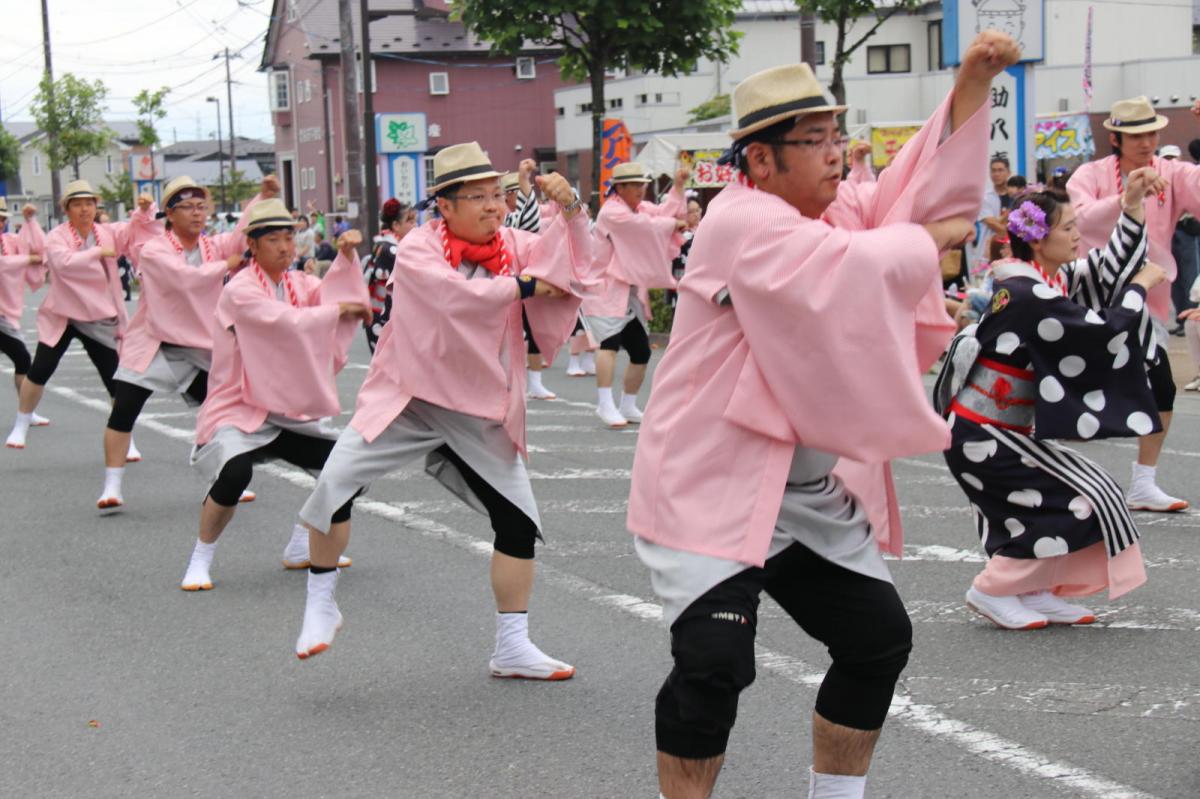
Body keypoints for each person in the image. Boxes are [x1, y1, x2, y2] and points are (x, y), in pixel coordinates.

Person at [626, 31, 1020, 799]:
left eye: (837, 136)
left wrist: (970, 85)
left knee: (876, 640)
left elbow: (916, 189)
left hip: (800, 491)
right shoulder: (740, 221)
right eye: (814, 141)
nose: (836, 154)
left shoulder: (836, 208)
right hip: (713, 477)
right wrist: (925, 243)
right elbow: (853, 266)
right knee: (713, 664)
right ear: (761, 160)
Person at [290, 141, 587, 675]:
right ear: (445, 207)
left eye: (497, 195)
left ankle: (512, 646)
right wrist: (521, 285)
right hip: (409, 394)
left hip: (477, 405)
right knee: (334, 484)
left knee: (518, 521)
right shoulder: (419, 247)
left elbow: (566, 266)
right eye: (477, 197)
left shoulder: (512, 244)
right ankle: (320, 604)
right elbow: (450, 296)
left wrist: (569, 211)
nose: (493, 206)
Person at [936, 178, 1165, 631]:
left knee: (1084, 494)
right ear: (1039, 239)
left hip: (995, 430)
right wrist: (1139, 287)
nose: (1078, 235)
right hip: (985, 431)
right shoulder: (1027, 294)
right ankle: (992, 587)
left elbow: (1106, 268)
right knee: (1079, 499)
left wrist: (1132, 206)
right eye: (1069, 228)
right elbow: (1102, 329)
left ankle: (1035, 589)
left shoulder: (1042, 280)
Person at [181, 198, 367, 591]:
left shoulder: (298, 284)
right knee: (235, 473)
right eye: (275, 240)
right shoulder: (241, 290)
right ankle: (202, 555)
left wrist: (345, 258)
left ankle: (302, 542)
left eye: (290, 237)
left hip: (286, 405)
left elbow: (330, 296)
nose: (285, 247)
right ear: (252, 245)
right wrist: (335, 313)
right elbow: (282, 324)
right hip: (239, 404)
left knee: (345, 471)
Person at [95, 175, 277, 510]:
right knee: (124, 409)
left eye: (201, 207)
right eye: (187, 207)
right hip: (155, 342)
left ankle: (219, 480)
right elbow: (183, 279)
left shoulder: (213, 246)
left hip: (202, 346)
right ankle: (112, 486)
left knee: (219, 415)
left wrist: (260, 198)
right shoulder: (154, 248)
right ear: (169, 214)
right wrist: (225, 266)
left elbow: (240, 236)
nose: (197, 214)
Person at [1067, 96, 1200, 512]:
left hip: (1147, 298)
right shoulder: (1090, 174)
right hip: (1091, 297)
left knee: (1161, 385)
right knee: (1076, 387)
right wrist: (1129, 197)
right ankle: (1063, 477)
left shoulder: (1172, 173)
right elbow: (1083, 218)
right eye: (1137, 134)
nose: (1147, 142)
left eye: (1152, 133)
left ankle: (1144, 481)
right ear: (1116, 138)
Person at [5, 181, 159, 450]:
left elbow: (135, 232)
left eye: (89, 203)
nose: (85, 209)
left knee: (115, 380)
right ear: (67, 209)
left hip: (98, 317)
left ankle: (126, 438)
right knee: (39, 369)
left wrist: (143, 211)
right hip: (63, 314)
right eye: (77, 204)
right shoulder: (58, 236)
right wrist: (98, 252)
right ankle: (21, 422)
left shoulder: (107, 232)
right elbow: (62, 263)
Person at [585, 162, 687, 427]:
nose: (641, 189)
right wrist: (672, 223)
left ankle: (628, 405)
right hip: (605, 289)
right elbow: (645, 227)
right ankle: (604, 405)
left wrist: (678, 187)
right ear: (620, 188)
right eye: (635, 185)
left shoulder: (637, 209)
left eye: (642, 184)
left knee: (641, 351)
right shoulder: (612, 212)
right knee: (608, 345)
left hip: (628, 293)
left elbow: (661, 214)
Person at [0, 200, 49, 425]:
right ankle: (26, 412)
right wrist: (27, 259)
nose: (0, 222)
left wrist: (30, 221)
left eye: (3, 219)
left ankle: (26, 411)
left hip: (5, 313)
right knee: (22, 357)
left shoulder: (9, 240)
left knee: (22, 358)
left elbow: (37, 246)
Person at [363, 197, 417, 352]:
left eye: (414, 221)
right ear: (396, 225)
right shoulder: (390, 250)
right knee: (390, 369)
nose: (415, 225)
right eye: (410, 221)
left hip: (383, 315)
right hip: (384, 317)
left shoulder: (387, 246)